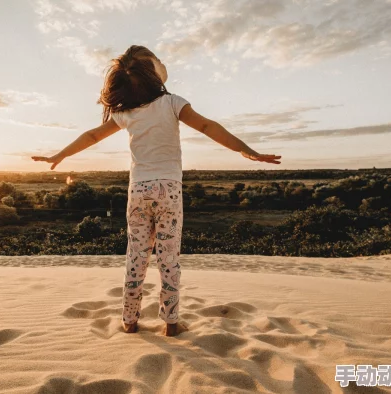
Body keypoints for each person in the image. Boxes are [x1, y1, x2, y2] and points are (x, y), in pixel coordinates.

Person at [32, 45, 281, 337]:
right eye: (158, 61)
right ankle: (171, 323)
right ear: (153, 72)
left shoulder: (126, 113)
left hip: (138, 190)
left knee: (136, 257)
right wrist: (246, 151)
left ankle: (129, 320)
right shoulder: (172, 103)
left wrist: (60, 155)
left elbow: (92, 135)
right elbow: (207, 125)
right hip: (169, 190)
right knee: (168, 258)